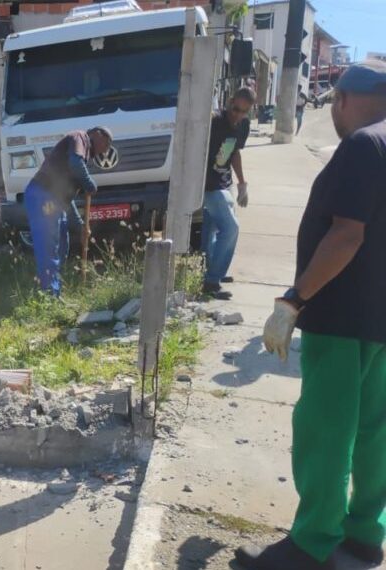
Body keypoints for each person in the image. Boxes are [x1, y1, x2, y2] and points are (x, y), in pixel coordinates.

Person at [238, 60, 386, 570]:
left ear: (343, 98)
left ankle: (313, 542)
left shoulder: (365, 145)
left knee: (326, 429)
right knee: (374, 432)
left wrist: (295, 299)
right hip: (381, 322)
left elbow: (346, 234)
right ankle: (365, 535)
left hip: (342, 317)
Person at [23, 127, 112, 296]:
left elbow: (67, 200)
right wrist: (89, 183)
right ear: (97, 134)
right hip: (44, 196)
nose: (105, 150)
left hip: (56, 201)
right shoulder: (80, 137)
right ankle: (49, 295)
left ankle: (54, 291)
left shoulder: (84, 156)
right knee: (49, 248)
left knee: (62, 246)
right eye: (106, 144)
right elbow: (75, 163)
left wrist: (80, 225)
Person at [202, 87, 255, 300]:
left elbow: (235, 153)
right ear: (230, 101)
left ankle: (214, 273)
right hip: (208, 184)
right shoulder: (215, 121)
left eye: (244, 112)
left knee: (212, 231)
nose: (238, 115)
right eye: (235, 109)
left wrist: (242, 183)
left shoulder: (243, 126)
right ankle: (212, 280)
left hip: (225, 183)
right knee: (231, 228)